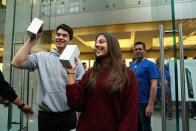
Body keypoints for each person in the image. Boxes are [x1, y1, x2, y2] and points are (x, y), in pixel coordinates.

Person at [11, 24, 85, 131]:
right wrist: (32, 39)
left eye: (64, 35)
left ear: (70, 41)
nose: (60, 37)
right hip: (46, 116)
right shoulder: (42, 57)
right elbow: (16, 63)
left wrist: (80, 120)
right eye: (58, 34)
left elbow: (79, 95)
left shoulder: (77, 63)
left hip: (68, 115)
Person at [65, 32, 138, 131]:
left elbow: (130, 114)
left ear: (112, 45)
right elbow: (75, 103)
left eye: (101, 42)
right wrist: (70, 73)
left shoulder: (128, 75)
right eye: (96, 43)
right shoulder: (90, 74)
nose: (96, 45)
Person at [130, 41, 158, 131]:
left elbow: (154, 85)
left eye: (140, 49)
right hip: (134, 102)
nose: (138, 51)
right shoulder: (132, 65)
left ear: (144, 51)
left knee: (145, 127)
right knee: (136, 126)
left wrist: (150, 104)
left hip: (145, 102)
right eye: (136, 49)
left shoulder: (150, 64)